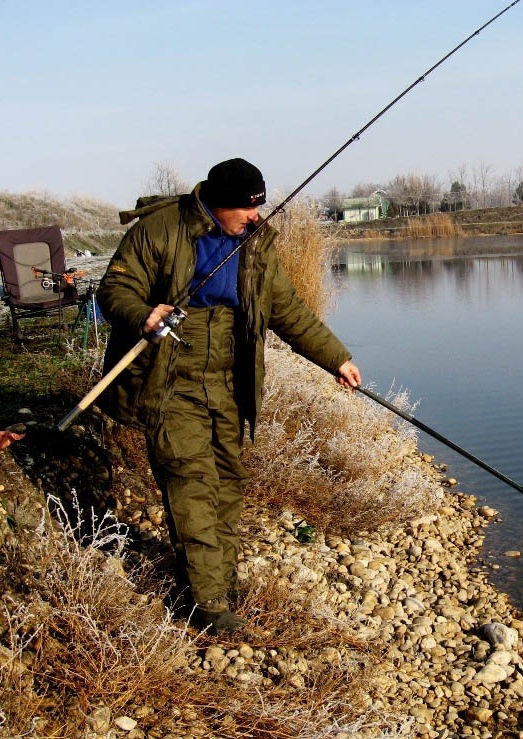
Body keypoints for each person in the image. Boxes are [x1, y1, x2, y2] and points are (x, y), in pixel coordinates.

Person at [97, 158, 361, 635]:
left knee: (226, 480)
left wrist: (336, 359)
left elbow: (288, 310)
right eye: (245, 209)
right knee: (189, 479)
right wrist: (145, 313)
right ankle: (208, 603)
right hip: (169, 378)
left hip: (229, 381)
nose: (254, 218)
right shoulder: (160, 229)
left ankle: (222, 580)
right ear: (218, 205)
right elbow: (115, 287)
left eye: (258, 208)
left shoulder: (256, 243)